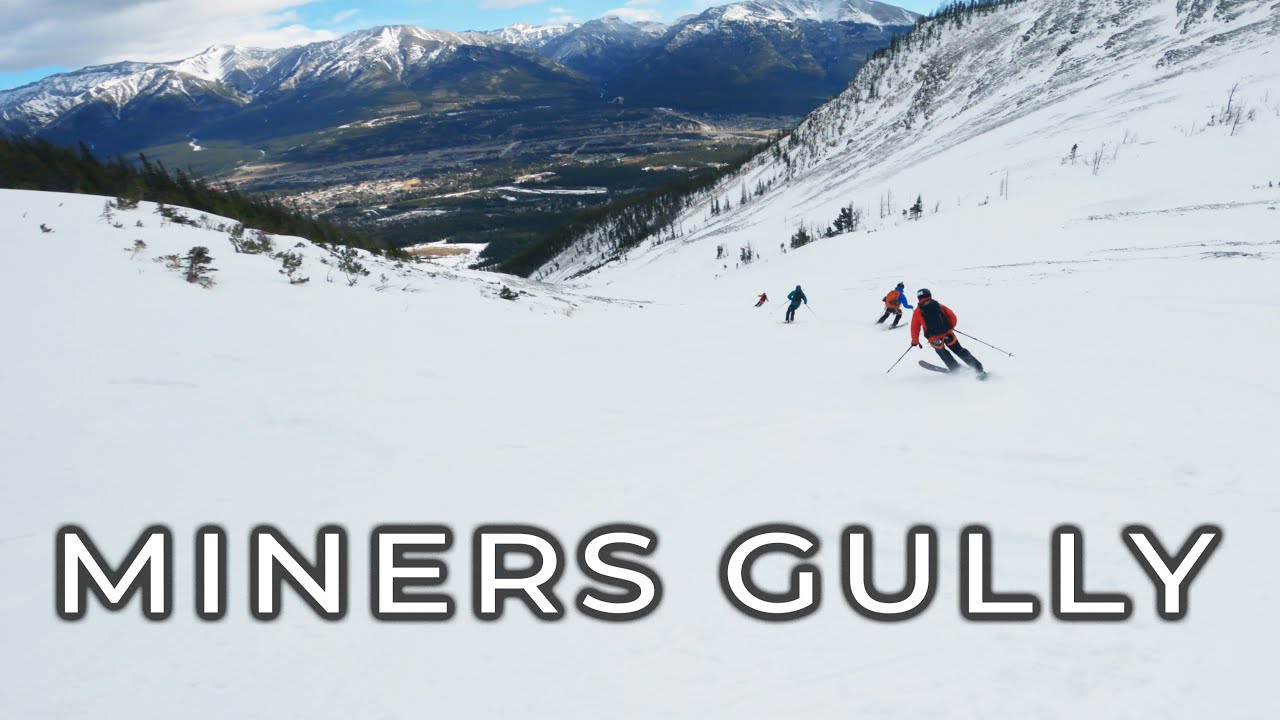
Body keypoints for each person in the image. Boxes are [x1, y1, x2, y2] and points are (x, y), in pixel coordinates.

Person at [910, 289, 985, 375]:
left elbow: (914, 327)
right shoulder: (939, 305)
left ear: (918, 298)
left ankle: (955, 369)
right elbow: (952, 316)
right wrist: (950, 328)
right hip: (948, 334)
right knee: (959, 350)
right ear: (929, 295)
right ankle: (977, 368)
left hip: (934, 338)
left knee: (943, 353)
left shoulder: (917, 311)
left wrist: (915, 341)